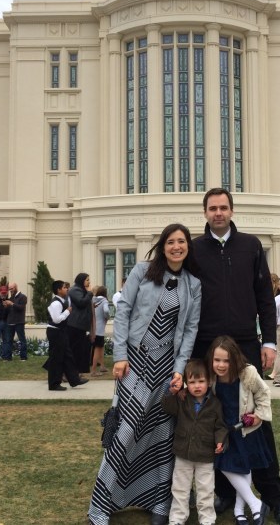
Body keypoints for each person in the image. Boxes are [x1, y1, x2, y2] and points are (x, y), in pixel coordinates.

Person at [191, 187, 280, 525]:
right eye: (212, 208)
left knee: (255, 422)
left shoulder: (250, 246)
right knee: (214, 419)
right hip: (206, 346)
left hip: (245, 345)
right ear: (205, 213)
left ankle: (273, 495)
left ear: (232, 211)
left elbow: (264, 298)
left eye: (223, 208)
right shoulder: (194, 249)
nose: (218, 213)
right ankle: (224, 491)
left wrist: (268, 342)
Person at [89, 223, 202, 525]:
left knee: (163, 435)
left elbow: (190, 330)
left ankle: (159, 504)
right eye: (171, 242)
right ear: (163, 246)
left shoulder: (193, 284)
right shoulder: (143, 271)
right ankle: (100, 506)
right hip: (136, 363)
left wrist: (180, 370)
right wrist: (120, 356)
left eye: (182, 242)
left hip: (166, 368)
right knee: (126, 431)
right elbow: (123, 311)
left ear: (187, 247)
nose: (176, 247)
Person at [208, 336, 273, 525]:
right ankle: (255, 504)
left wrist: (259, 415)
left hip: (245, 428)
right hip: (224, 430)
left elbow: (263, 394)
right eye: (217, 360)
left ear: (234, 359)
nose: (221, 365)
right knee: (226, 465)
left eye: (226, 360)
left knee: (244, 468)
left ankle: (239, 510)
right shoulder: (211, 375)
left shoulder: (248, 373)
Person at [161, 359, 227, 525]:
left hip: (206, 455)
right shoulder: (182, 399)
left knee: (206, 490)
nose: (197, 386)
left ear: (209, 381)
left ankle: (207, 519)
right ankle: (177, 518)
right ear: (186, 383)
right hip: (183, 453)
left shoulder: (215, 403)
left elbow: (221, 427)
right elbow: (167, 407)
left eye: (201, 381)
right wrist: (173, 392)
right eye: (192, 382)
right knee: (180, 489)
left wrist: (220, 442)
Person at [46, 280, 88, 391]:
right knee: (57, 358)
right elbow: (56, 319)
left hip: (61, 331)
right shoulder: (56, 303)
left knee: (68, 356)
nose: (67, 289)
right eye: (64, 287)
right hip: (55, 332)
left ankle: (74, 380)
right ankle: (54, 384)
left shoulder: (63, 301)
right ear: (58, 290)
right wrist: (67, 312)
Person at [68, 273, 94, 374]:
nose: (89, 282)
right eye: (87, 280)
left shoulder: (82, 290)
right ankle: (68, 373)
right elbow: (81, 302)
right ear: (81, 280)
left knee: (79, 351)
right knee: (73, 350)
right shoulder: (75, 290)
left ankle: (75, 373)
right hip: (75, 325)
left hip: (80, 325)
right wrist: (90, 293)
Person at [3, 282, 28, 361]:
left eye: (12, 288)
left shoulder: (23, 297)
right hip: (10, 322)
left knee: (22, 340)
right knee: (8, 341)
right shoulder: (11, 298)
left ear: (16, 287)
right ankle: (8, 357)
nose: (11, 290)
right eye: (9, 289)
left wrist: (12, 304)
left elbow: (21, 308)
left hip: (19, 322)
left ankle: (23, 357)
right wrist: (6, 306)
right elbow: (8, 311)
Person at [90, 285, 110, 377]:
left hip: (94, 328)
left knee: (101, 348)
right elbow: (106, 310)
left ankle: (102, 366)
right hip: (100, 329)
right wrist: (107, 317)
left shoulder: (93, 300)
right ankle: (93, 370)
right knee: (97, 349)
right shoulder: (104, 301)